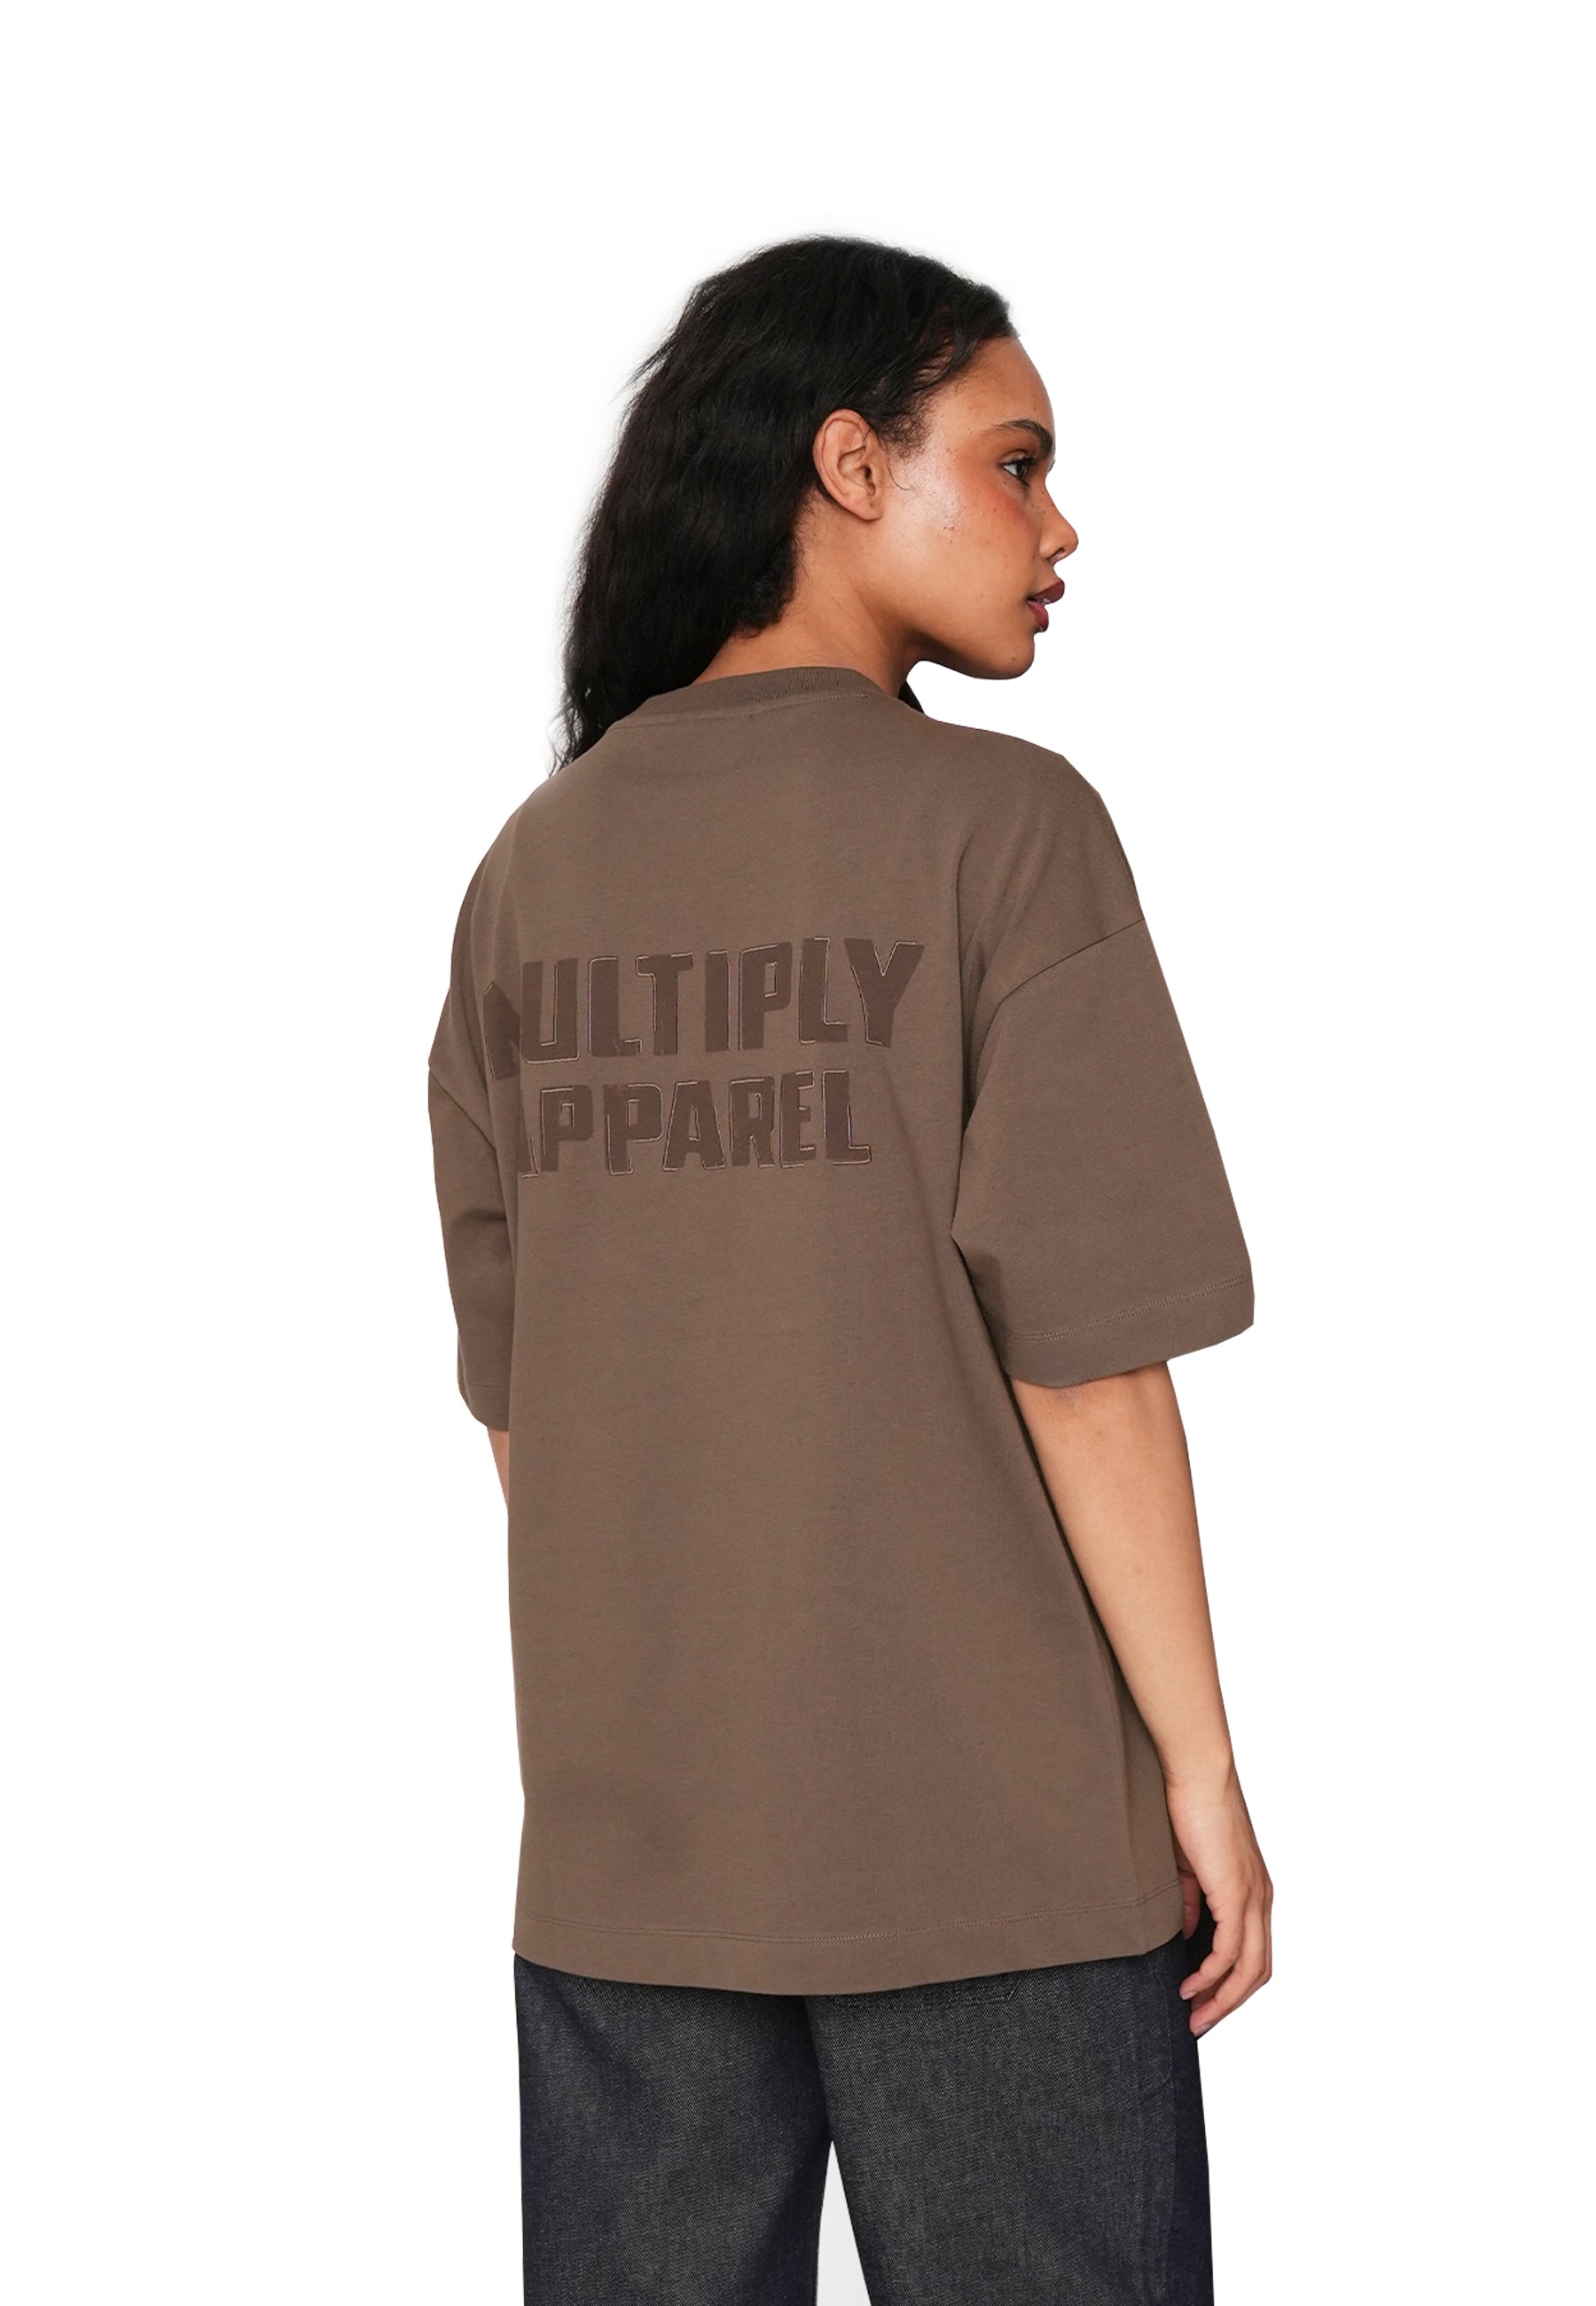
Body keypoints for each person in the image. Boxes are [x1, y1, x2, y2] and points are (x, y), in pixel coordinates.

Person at [427, 234, 1272, 2306]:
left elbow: (531, 1411)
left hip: (631, 1869)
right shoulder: (1005, 832)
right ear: (848, 463)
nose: (1060, 527)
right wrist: (1202, 1775)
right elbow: (1090, 1371)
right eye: (1016, 462)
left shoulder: (533, 872)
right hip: (996, 1861)